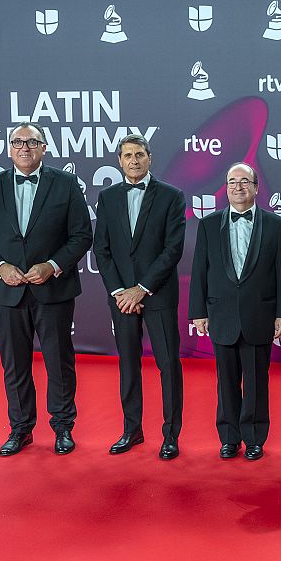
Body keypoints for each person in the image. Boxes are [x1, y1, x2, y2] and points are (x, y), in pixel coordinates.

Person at [0, 121, 92, 456]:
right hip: (8, 293)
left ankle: (63, 428)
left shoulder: (65, 184)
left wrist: (51, 266)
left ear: (44, 148)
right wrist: (0, 267)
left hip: (54, 291)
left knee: (59, 363)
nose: (24, 147)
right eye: (18, 142)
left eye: (32, 142)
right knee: (15, 365)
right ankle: (20, 429)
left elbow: (82, 235)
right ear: (8, 148)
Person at [189, 163, 281, 460]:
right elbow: (200, 272)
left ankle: (255, 437)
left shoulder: (275, 225)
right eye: (232, 182)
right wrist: (198, 311)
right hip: (221, 315)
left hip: (260, 315)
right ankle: (229, 438)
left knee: (257, 381)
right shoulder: (208, 225)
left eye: (244, 181)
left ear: (256, 187)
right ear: (225, 187)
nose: (238, 187)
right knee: (226, 381)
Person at [93, 134, 186, 460]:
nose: (133, 161)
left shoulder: (172, 196)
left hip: (157, 294)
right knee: (128, 365)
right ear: (119, 161)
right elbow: (101, 250)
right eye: (127, 155)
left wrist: (142, 288)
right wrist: (120, 291)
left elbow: (172, 249)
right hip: (121, 299)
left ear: (150, 158)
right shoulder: (107, 198)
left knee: (168, 366)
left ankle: (170, 435)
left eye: (139, 155)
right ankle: (131, 430)